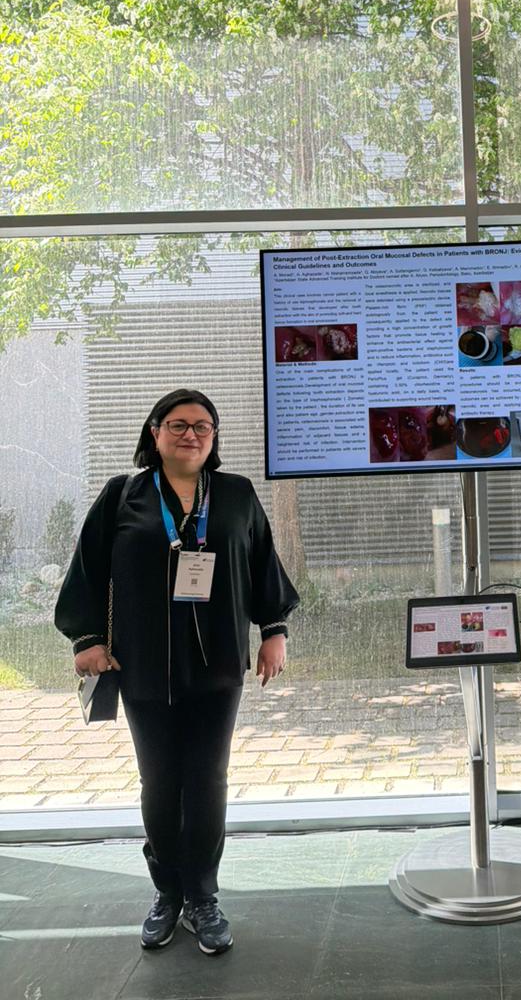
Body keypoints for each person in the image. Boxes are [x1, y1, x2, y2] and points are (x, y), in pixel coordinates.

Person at [55, 388, 299, 956]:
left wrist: (274, 630)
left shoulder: (236, 494)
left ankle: (203, 897)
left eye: (203, 426)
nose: (191, 434)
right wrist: (86, 640)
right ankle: (167, 892)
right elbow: (86, 569)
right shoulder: (123, 495)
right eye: (179, 424)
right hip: (143, 667)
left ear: (214, 438)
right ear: (155, 432)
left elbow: (262, 562)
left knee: (208, 780)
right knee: (161, 782)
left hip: (218, 667)